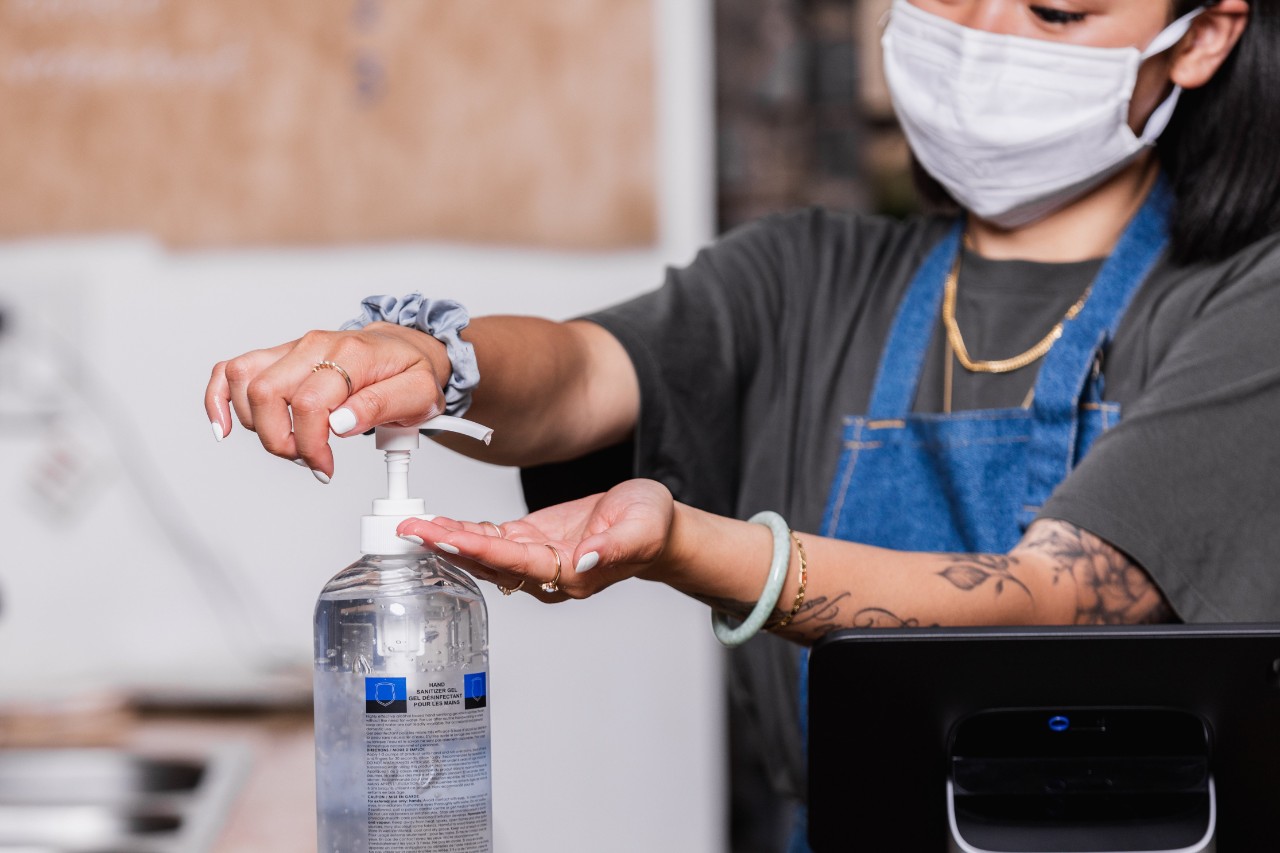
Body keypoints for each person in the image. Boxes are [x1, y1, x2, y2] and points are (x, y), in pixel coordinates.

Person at [205, 0, 1279, 849]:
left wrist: (694, 546)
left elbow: (1053, 610)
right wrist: (439, 361)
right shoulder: (810, 274)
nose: (983, 35)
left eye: (1054, 11)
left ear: (1202, 38)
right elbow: (579, 374)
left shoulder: (1248, 303)